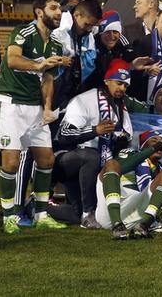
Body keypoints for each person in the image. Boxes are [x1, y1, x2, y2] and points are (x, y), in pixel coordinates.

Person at [0, 0, 70, 234]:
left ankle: (41, 214)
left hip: (34, 107)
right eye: (53, 8)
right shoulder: (22, 32)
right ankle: (9, 216)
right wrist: (39, 64)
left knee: (46, 159)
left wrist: (46, 107)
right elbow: (12, 60)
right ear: (38, 12)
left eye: (60, 9)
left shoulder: (55, 44)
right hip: (9, 103)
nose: (59, 12)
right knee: (11, 162)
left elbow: (47, 79)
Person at [56, 59, 134, 228]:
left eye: (126, 85)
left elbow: (125, 139)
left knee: (75, 213)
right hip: (65, 161)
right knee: (91, 155)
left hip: (91, 167)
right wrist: (95, 131)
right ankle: (88, 212)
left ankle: (38, 207)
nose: (122, 88)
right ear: (107, 81)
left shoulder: (119, 106)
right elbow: (64, 135)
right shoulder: (85, 100)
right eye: (119, 83)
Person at [94, 130, 162, 239]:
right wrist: (152, 149)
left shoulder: (160, 167)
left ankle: (144, 225)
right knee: (111, 164)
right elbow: (122, 166)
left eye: (161, 142)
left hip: (135, 208)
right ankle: (117, 225)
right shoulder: (131, 153)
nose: (160, 145)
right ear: (143, 144)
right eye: (154, 140)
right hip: (115, 204)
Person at [128, 8, 162, 104]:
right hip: (143, 101)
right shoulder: (142, 42)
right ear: (156, 23)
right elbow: (132, 73)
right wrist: (145, 72)